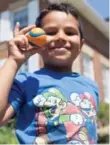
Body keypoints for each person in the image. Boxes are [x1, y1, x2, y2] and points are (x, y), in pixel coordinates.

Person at [0, 2, 99, 144]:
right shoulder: (26, 81)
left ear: (81, 45)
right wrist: (13, 61)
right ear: (37, 42)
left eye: (70, 32)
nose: (61, 37)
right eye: (51, 32)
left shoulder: (91, 86)